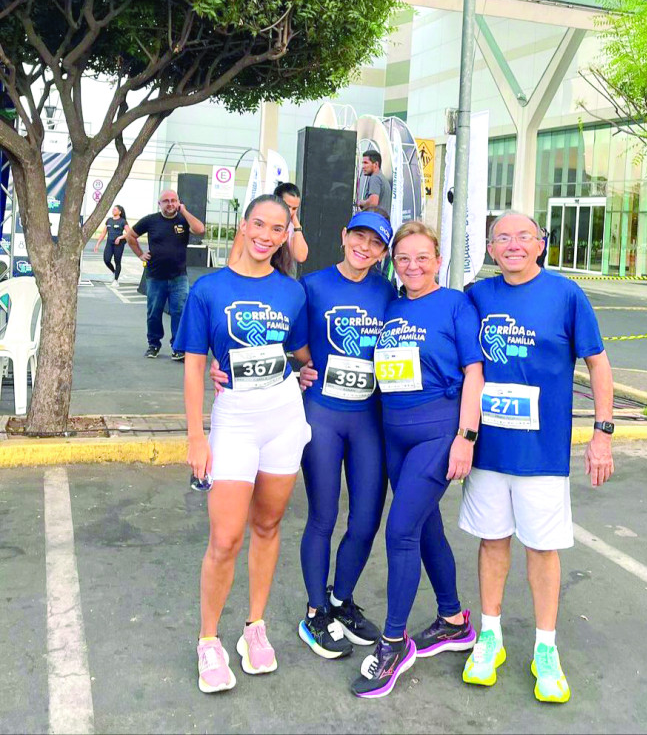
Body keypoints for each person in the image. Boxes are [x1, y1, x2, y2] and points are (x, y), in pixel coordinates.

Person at [210, 210, 397, 660]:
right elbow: (276, 335)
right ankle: (315, 612)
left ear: (383, 253)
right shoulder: (309, 287)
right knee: (324, 515)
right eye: (359, 237)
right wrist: (223, 364)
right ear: (343, 235)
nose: (365, 247)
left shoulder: (387, 292)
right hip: (321, 414)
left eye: (376, 243)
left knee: (368, 518)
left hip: (368, 416)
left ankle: (341, 600)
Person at [459, 210, 614, 702]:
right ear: (489, 249)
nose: (512, 245)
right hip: (488, 451)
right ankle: (491, 636)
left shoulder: (566, 295)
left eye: (523, 237)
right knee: (492, 542)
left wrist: (603, 432)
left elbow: (598, 363)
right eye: (501, 238)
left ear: (540, 244)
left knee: (542, 549)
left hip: (542, 453)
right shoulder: (476, 295)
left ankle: (546, 649)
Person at [173, 194, 313, 694]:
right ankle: (208, 639)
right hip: (233, 421)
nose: (266, 235)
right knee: (226, 537)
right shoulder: (208, 289)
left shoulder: (291, 292)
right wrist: (195, 434)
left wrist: (309, 367)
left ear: (284, 236)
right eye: (259, 224)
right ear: (244, 226)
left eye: (278, 229)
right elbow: (193, 362)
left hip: (282, 417)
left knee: (269, 523)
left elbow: (297, 350)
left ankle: (255, 626)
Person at [351, 221, 484, 699]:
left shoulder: (454, 305)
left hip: (437, 431)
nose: (412, 266)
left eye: (422, 258)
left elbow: (475, 372)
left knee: (401, 529)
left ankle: (393, 642)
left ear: (438, 260)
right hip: (393, 433)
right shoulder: (389, 303)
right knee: (426, 527)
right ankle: (453, 620)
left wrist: (466, 436)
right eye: (403, 258)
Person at [125, 189, 205, 360]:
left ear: (178, 202)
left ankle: (178, 347)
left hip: (179, 276)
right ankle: (153, 345)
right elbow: (130, 236)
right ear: (159, 204)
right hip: (155, 277)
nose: (170, 204)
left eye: (173, 200)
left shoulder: (183, 219)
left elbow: (199, 229)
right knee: (154, 312)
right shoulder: (151, 220)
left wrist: (183, 211)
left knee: (179, 312)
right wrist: (140, 254)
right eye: (166, 201)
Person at [228, 182, 308, 268]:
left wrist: (296, 225)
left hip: (278, 275)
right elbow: (235, 255)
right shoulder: (254, 220)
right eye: (287, 206)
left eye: (294, 208)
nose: (290, 212)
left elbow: (301, 256)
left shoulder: (292, 227)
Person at [93, 204, 130, 288]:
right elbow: (103, 233)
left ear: (120, 212)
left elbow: (129, 233)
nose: (113, 211)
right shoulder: (109, 220)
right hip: (109, 243)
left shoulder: (123, 221)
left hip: (118, 244)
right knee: (106, 260)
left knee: (117, 261)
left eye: (115, 210)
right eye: (113, 209)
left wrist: (120, 237)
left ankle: (116, 280)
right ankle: (114, 272)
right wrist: (97, 244)